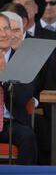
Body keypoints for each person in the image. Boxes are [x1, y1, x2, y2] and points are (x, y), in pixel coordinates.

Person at [0, 13, 37, 165]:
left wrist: (4, 75)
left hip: (10, 122)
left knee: (27, 136)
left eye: (6, 28)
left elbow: (23, 98)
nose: (3, 34)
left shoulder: (24, 59)